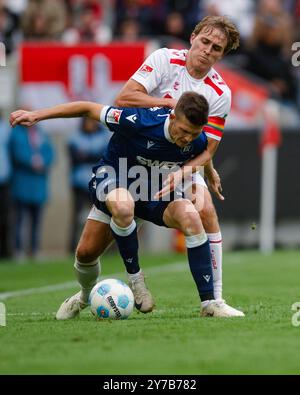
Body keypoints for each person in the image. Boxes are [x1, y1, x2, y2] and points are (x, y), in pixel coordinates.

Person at [50, 15, 242, 319]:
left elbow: (207, 149)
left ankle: (213, 300)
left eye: (217, 48)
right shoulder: (164, 59)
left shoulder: (220, 94)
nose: (208, 50)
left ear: (222, 55)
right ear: (193, 37)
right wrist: (167, 105)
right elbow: (124, 98)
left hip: (177, 163)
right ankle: (85, 294)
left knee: (203, 210)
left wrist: (193, 172)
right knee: (86, 252)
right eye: (205, 41)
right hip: (133, 163)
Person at [10, 92, 244, 317]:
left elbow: (202, 150)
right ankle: (97, 292)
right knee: (87, 252)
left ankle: (209, 303)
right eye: (183, 131)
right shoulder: (138, 120)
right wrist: (37, 115)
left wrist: (209, 171)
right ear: (172, 116)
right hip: (115, 177)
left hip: (151, 189)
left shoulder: (195, 138)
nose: (186, 138)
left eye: (193, 134)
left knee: (192, 216)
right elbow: (87, 108)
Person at [9, 121, 55, 260]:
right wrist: (32, 162)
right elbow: (17, 154)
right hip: (23, 181)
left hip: (39, 184)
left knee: (37, 220)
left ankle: (34, 249)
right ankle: (18, 249)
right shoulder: (16, 134)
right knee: (20, 219)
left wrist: (42, 162)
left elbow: (50, 152)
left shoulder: (41, 133)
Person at [67, 117, 110, 253]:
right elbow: (75, 158)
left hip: (99, 183)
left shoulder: (103, 136)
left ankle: (106, 248)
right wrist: (93, 155)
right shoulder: (75, 137)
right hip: (80, 183)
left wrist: (87, 155)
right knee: (77, 216)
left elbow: (104, 157)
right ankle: (73, 246)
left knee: (104, 216)